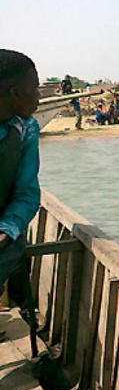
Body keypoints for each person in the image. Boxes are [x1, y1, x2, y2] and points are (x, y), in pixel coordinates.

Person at [0, 50, 42, 340]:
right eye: (35, 89)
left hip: (3, 226)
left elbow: (27, 193)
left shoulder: (26, 129)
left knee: (10, 249)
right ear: (15, 93)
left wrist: (5, 231)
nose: (39, 96)